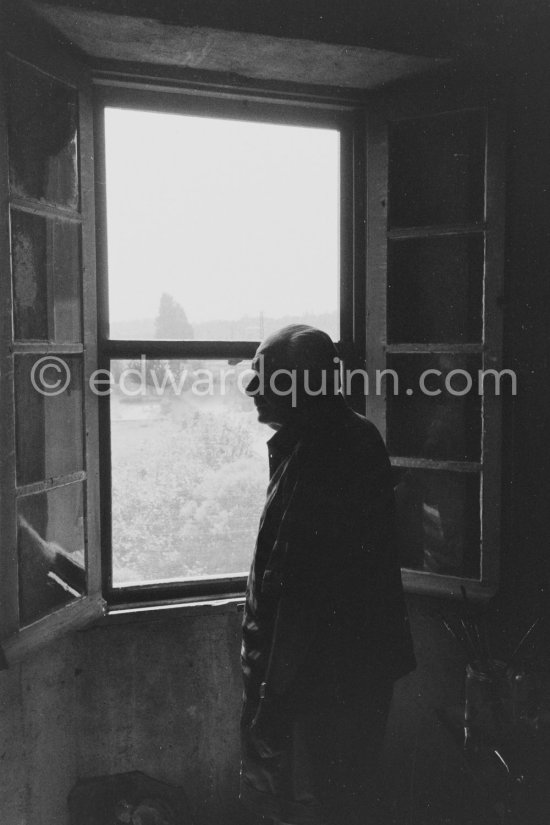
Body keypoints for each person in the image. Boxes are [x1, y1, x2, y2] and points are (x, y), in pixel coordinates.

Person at [240, 324, 415, 825]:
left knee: (326, 805)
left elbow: (301, 593)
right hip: (332, 674)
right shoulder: (325, 440)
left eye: (265, 377)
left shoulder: (330, 453)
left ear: (305, 386)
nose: (252, 389)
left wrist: (271, 699)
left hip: (329, 680)